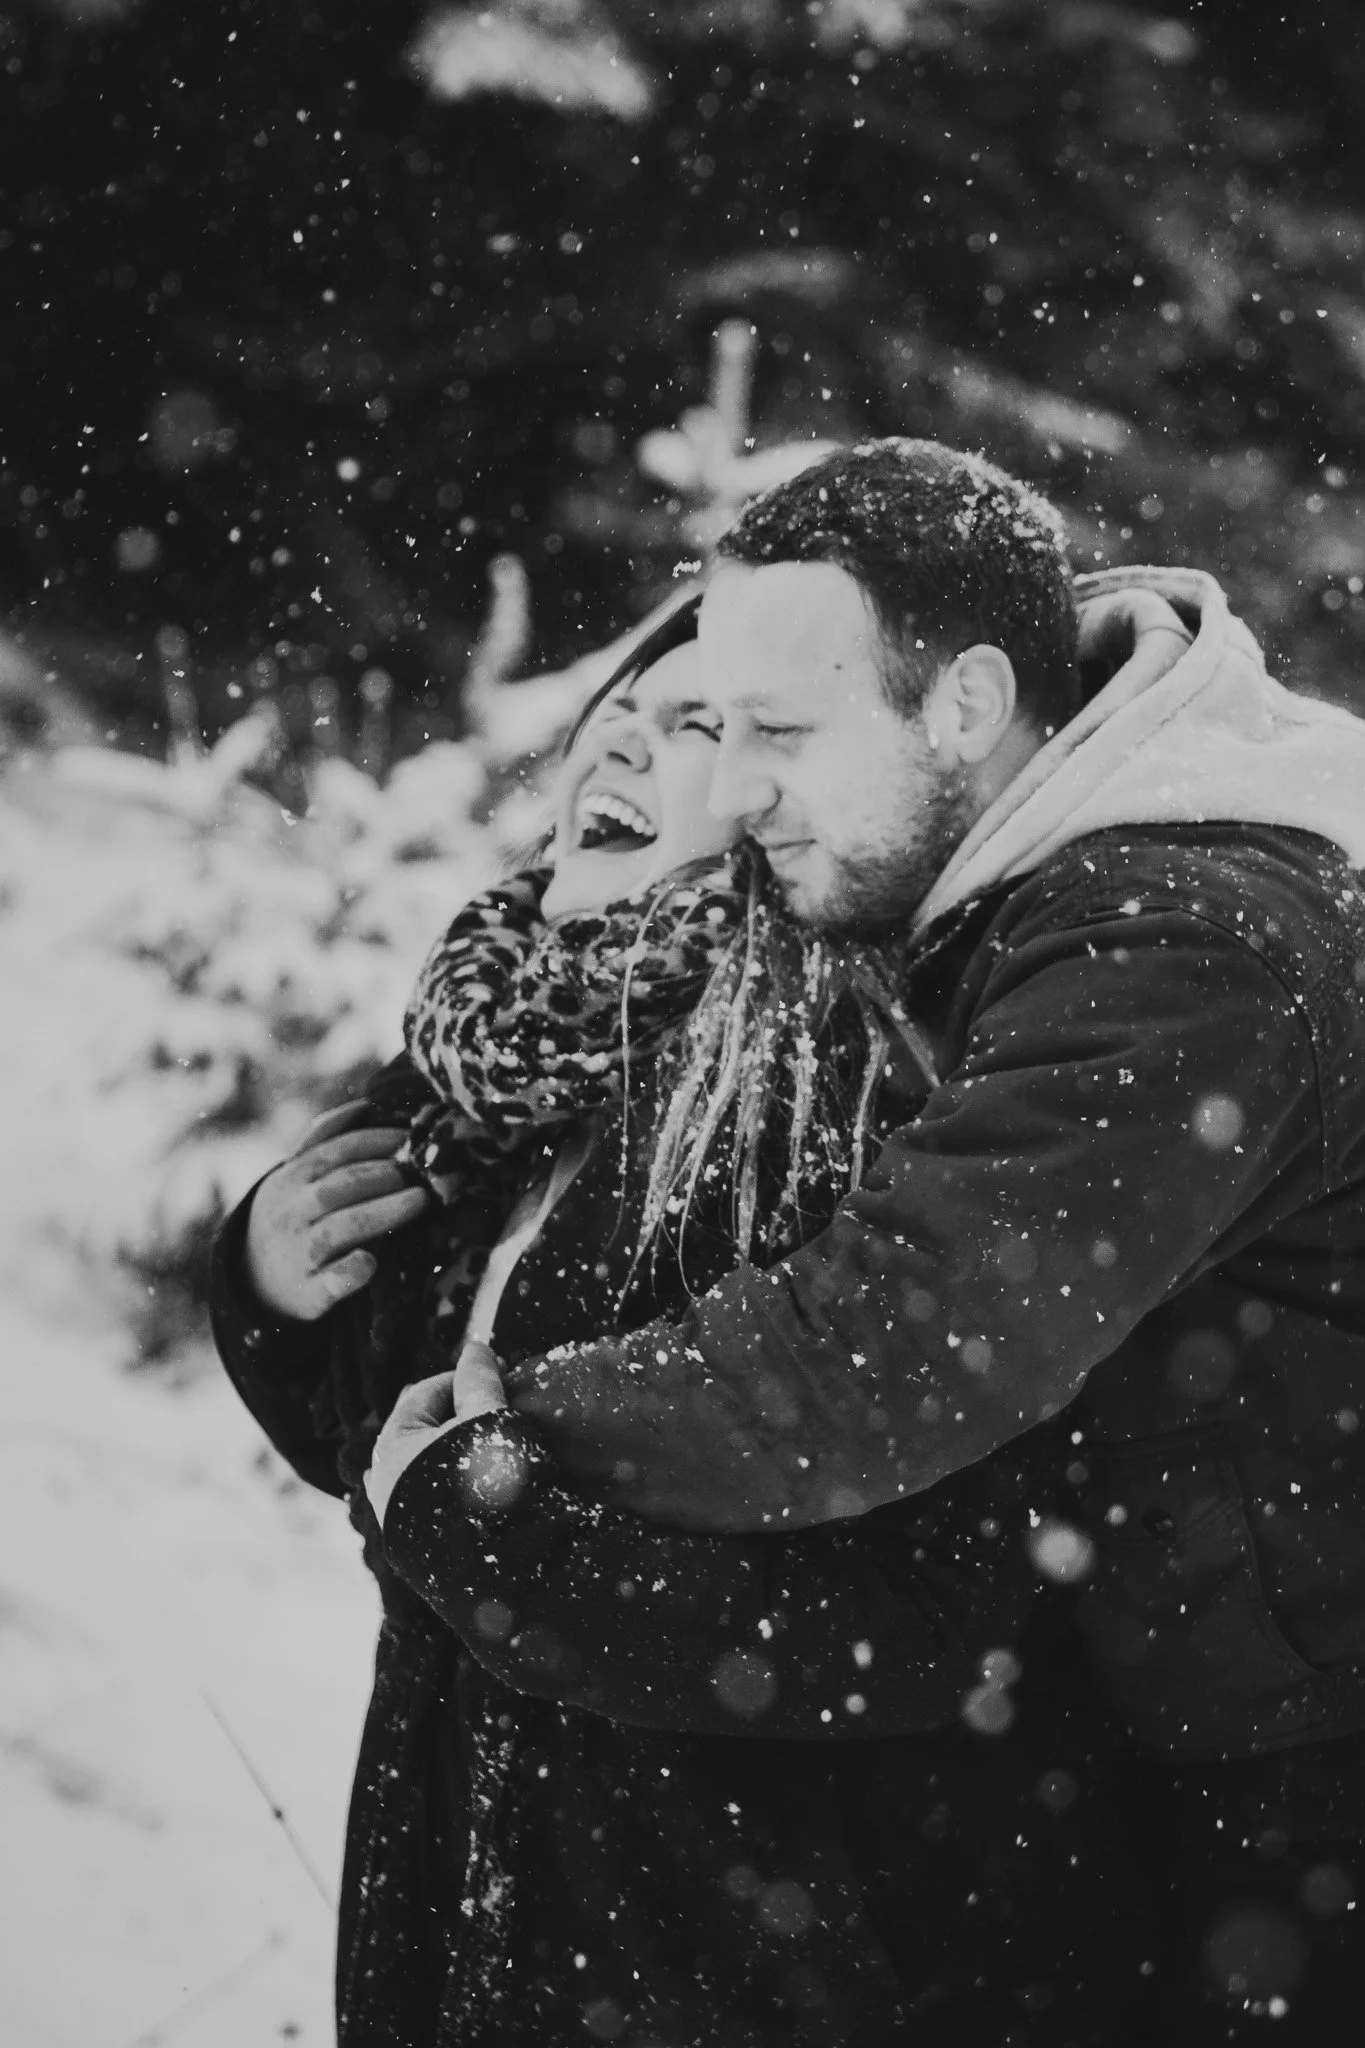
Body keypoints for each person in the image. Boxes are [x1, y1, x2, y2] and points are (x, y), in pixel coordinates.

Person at [387, 438, 1365, 2043]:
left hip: (1297, 1774)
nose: (735, 785)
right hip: (1199, 1719)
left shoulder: (1188, 939)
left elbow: (894, 1342)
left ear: (969, 705)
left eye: (779, 730)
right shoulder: (1025, 873)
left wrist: (507, 1430)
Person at [211, 613, 1163, 2046]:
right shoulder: (512, 1053)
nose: (630, 737)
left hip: (733, 1930)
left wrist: (504, 1546)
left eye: (711, 725)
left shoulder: (842, 1093)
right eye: (630, 705)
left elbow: (929, 1614)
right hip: (458, 1853)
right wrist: (274, 1287)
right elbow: (392, 1440)